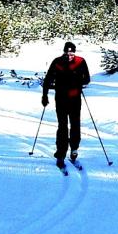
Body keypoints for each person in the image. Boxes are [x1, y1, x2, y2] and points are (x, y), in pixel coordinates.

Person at [42, 40, 91, 168]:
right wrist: (44, 95)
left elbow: (87, 79)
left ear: (74, 53)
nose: (69, 55)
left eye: (72, 53)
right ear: (64, 52)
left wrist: (78, 83)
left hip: (75, 99)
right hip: (61, 99)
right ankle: (61, 154)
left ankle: (74, 149)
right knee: (62, 126)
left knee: (75, 124)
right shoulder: (57, 62)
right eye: (67, 53)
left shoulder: (81, 61)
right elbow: (48, 79)